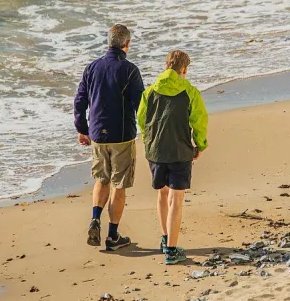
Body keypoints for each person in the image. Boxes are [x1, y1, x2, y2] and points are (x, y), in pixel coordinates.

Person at [74, 24, 145, 251]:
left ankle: (95, 218)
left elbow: (80, 101)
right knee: (119, 184)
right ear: (127, 44)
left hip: (97, 134)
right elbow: (140, 105)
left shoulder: (92, 68)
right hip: (122, 135)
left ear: (109, 42)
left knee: (101, 180)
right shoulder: (130, 70)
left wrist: (82, 128)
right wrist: (148, 130)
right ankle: (113, 235)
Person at [136, 50, 208, 265]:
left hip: (156, 151)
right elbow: (199, 122)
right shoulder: (190, 92)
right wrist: (200, 145)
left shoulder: (149, 92)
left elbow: (141, 120)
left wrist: (150, 142)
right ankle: (172, 250)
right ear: (184, 69)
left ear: (167, 65)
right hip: (180, 151)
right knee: (176, 200)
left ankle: (165, 238)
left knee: (162, 194)